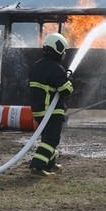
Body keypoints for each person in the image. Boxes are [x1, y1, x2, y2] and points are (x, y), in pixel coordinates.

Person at [28, 32, 74, 178]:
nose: (64, 54)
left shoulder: (37, 65)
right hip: (51, 111)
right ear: (58, 49)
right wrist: (68, 80)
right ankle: (38, 166)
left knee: (47, 137)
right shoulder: (56, 68)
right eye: (63, 51)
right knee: (52, 139)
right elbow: (66, 90)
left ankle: (50, 163)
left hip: (39, 110)